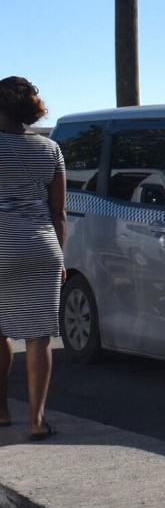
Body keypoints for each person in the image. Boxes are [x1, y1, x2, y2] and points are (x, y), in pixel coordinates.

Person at [0, 76, 66, 441]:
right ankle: (37, 421)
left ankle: (1, 410)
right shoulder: (50, 149)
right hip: (42, 248)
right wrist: (60, 258)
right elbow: (59, 213)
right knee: (39, 336)